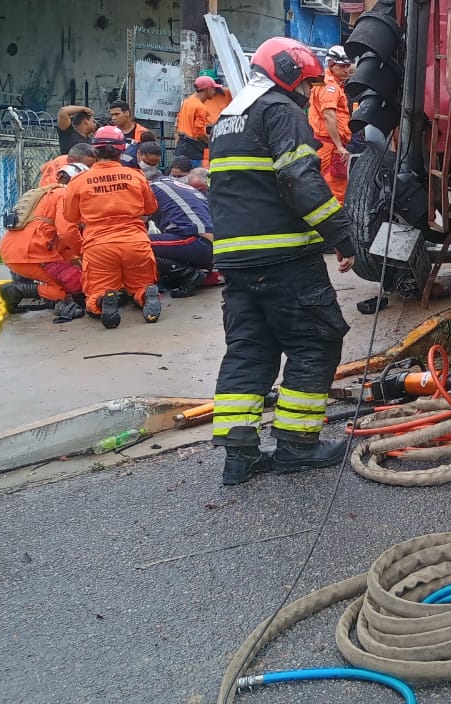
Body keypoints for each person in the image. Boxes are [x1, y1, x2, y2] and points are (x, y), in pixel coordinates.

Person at [208, 36, 356, 486]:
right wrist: (343, 236)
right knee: (317, 341)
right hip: (285, 258)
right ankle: (296, 445)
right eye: (305, 83)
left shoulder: (227, 119)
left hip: (236, 262)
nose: (306, 92)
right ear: (288, 74)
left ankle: (239, 456)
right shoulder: (281, 111)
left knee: (249, 349)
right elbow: (300, 180)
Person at [61, 125, 161, 329]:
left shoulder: (79, 181)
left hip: (99, 247)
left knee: (96, 293)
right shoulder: (136, 176)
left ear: (95, 150)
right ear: (122, 150)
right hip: (136, 243)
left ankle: (102, 301)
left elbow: (70, 217)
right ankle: (145, 295)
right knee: (140, 285)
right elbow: (151, 207)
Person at [0, 162, 88, 319]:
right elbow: (66, 231)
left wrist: (75, 258)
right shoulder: (63, 195)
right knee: (72, 285)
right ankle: (17, 290)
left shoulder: (46, 193)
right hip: (33, 254)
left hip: (15, 250)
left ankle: (24, 281)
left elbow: (61, 241)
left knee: (70, 271)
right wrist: (84, 251)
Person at [141, 164, 213, 298]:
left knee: (135, 245)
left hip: (197, 239)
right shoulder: (173, 184)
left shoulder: (152, 187)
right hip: (205, 241)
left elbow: (140, 219)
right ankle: (181, 273)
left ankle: (189, 275)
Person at [307, 45, 354, 203]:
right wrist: (339, 146)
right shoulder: (330, 87)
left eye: (348, 66)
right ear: (331, 64)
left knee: (321, 186)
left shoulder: (324, 82)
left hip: (323, 143)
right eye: (342, 66)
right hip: (330, 146)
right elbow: (329, 115)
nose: (346, 70)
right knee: (336, 190)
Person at [174, 76, 222, 168]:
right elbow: (199, 133)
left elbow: (179, 122)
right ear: (208, 89)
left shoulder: (187, 102)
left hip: (181, 147)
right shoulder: (200, 107)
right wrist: (211, 142)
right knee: (195, 178)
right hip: (193, 151)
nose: (215, 92)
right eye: (214, 89)